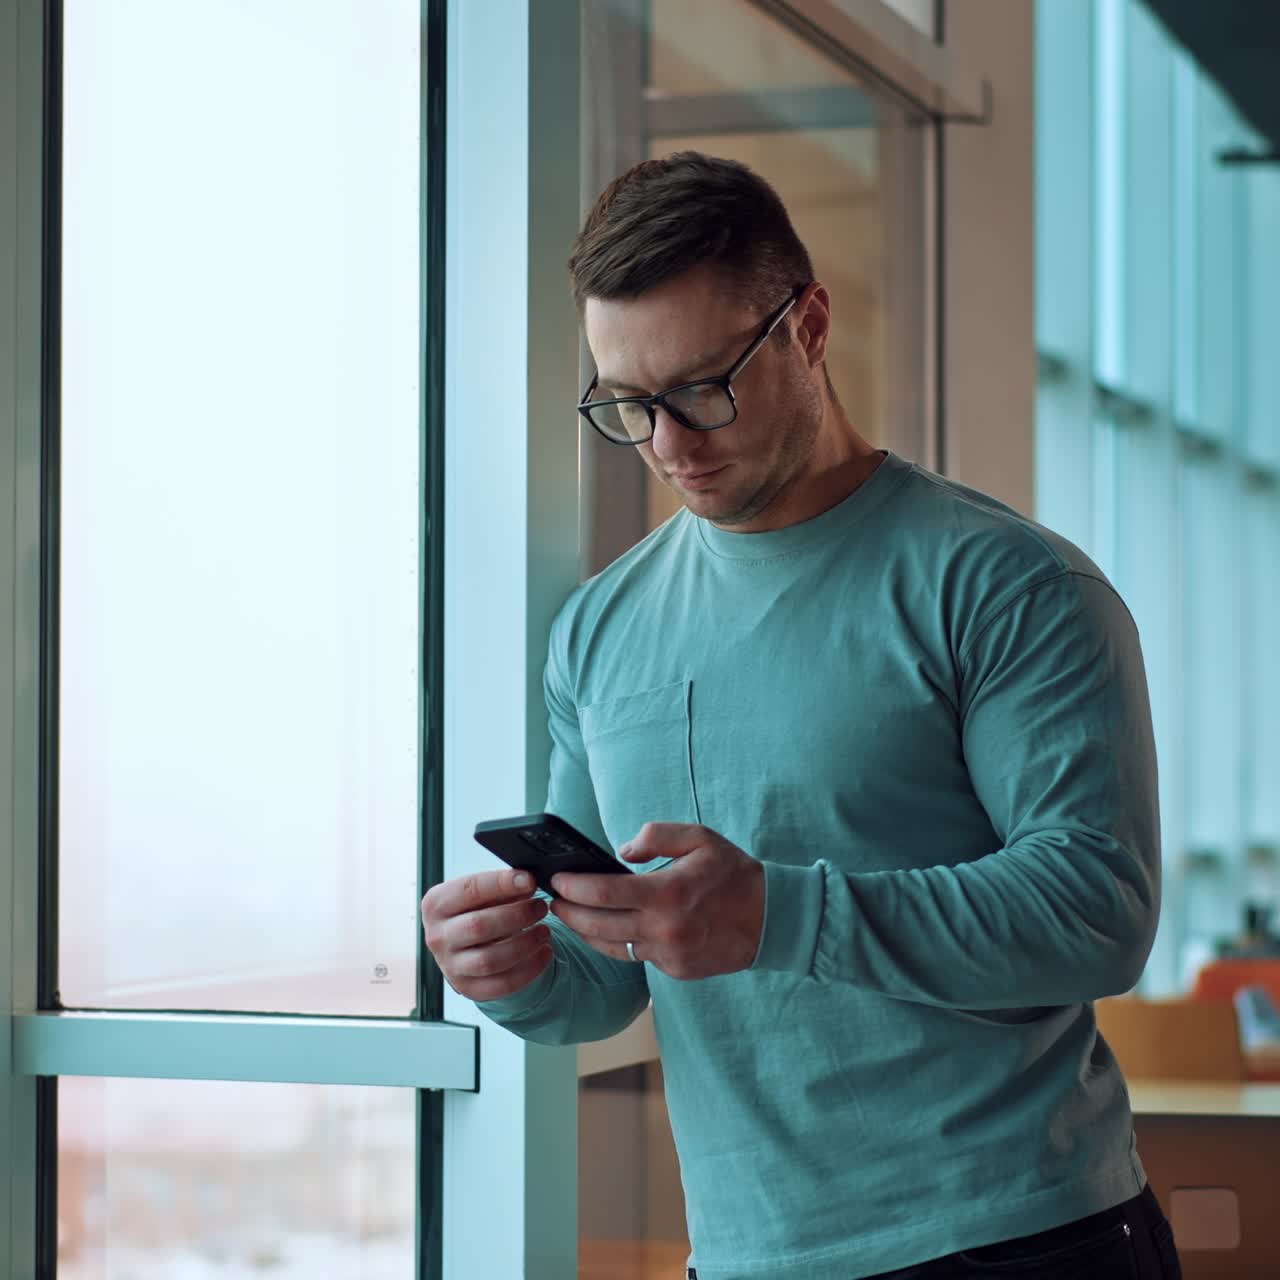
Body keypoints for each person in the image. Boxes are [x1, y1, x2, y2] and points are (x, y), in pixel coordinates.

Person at [421, 152, 1183, 1280]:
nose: (670, 441)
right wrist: (513, 971)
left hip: (1017, 1239)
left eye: (700, 386)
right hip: (741, 1252)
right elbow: (617, 966)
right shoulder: (597, 628)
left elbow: (1097, 909)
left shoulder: (1005, 585)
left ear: (808, 325)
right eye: (628, 404)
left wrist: (778, 912)